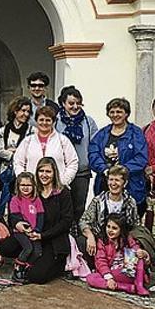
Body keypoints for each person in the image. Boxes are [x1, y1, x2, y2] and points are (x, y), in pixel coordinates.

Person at [0, 157, 74, 284]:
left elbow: (66, 221)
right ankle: (25, 261)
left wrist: (42, 235)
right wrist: (18, 224)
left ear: (54, 172)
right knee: (6, 247)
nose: (44, 175)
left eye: (48, 171)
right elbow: (14, 212)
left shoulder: (62, 192)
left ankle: (59, 266)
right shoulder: (32, 190)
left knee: (36, 276)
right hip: (31, 234)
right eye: (41, 171)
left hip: (52, 239)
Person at [88, 98, 149, 215]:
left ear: (126, 113)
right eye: (112, 112)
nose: (115, 115)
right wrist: (104, 169)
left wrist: (121, 171)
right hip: (105, 184)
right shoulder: (102, 134)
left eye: (119, 112)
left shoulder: (136, 133)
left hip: (131, 185)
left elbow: (141, 157)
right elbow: (93, 154)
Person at [78, 165, 140, 265]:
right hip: (101, 240)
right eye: (111, 180)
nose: (113, 183)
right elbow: (83, 221)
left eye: (117, 180)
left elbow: (136, 225)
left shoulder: (130, 202)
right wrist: (90, 236)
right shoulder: (98, 201)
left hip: (122, 242)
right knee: (81, 241)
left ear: (125, 183)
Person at [55, 86, 98, 224]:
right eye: (71, 103)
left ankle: (76, 236)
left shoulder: (88, 122)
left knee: (79, 208)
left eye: (78, 103)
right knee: (60, 208)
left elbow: (94, 144)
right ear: (63, 103)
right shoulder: (56, 121)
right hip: (60, 172)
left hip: (81, 172)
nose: (75, 107)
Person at [12, 106, 79, 187]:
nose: (44, 123)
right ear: (36, 121)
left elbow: (73, 162)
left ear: (53, 122)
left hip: (57, 190)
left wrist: (63, 181)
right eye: (41, 120)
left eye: (48, 120)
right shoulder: (27, 141)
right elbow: (18, 163)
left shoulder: (63, 140)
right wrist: (26, 182)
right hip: (33, 190)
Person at [85, 213, 150, 296]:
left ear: (121, 230)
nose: (110, 230)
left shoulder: (127, 239)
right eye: (108, 227)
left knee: (139, 255)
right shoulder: (102, 241)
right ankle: (125, 287)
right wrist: (109, 278)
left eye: (114, 228)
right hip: (112, 274)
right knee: (91, 278)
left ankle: (139, 285)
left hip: (129, 272)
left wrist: (143, 253)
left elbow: (136, 248)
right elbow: (101, 261)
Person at [0, 97, 34, 216]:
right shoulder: (3, 130)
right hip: (6, 171)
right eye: (23, 110)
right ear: (15, 111)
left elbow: (30, 151)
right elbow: (0, 150)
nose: (25, 114)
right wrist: (17, 152)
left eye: (28, 111)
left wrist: (14, 151)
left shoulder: (32, 131)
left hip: (24, 171)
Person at [7, 172, 44, 282]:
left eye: (29, 185)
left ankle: (26, 267)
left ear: (33, 186)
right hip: (20, 231)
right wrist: (26, 229)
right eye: (23, 185)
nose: (26, 188)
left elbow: (41, 216)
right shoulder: (15, 200)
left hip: (34, 232)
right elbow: (15, 216)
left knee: (38, 251)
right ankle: (18, 268)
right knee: (28, 248)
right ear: (18, 186)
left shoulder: (37, 200)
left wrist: (37, 230)